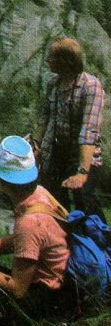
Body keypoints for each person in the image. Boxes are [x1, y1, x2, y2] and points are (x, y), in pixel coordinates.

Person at [0, 135, 76, 319]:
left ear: (2, 182)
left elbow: (17, 289)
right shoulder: (40, 194)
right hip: (63, 286)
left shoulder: (29, 222)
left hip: (48, 299)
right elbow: (21, 240)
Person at [34, 37, 106, 221]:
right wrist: (35, 145)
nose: (47, 60)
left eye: (52, 57)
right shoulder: (53, 84)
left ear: (66, 60)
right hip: (57, 154)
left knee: (84, 200)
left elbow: (89, 131)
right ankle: (64, 237)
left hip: (84, 157)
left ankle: (100, 236)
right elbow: (44, 118)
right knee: (54, 203)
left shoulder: (90, 86)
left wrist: (82, 173)